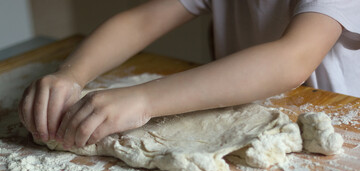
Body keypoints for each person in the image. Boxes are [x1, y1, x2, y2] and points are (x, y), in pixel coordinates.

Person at [18, 0, 360, 150]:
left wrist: (144, 99)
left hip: (334, 130)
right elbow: (140, 22)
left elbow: (292, 59)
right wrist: (71, 74)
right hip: (241, 108)